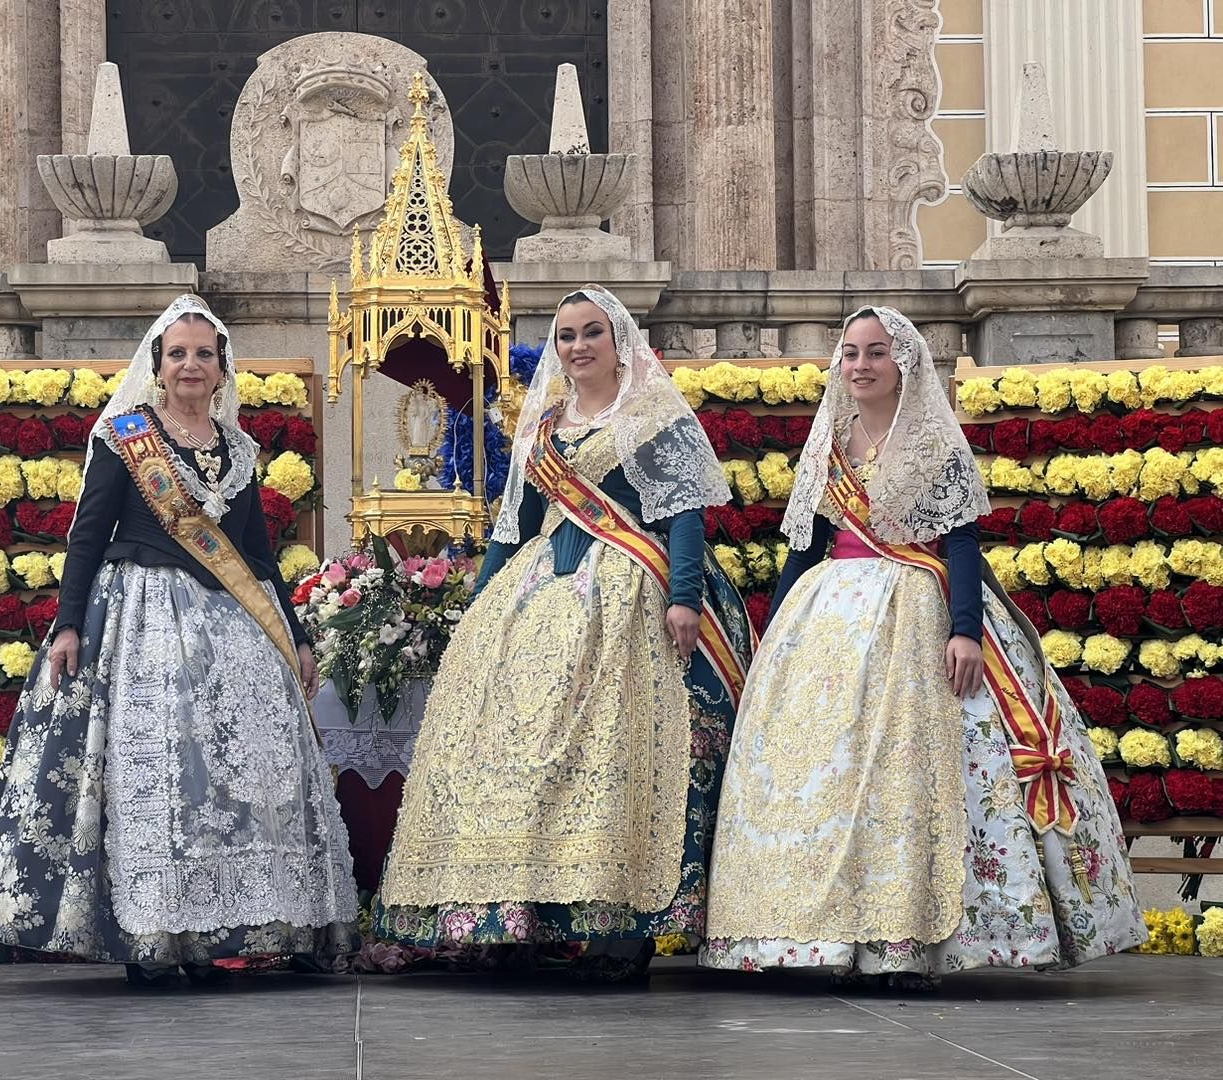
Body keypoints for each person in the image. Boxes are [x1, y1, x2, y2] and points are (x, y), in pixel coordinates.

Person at [701, 306, 1146, 986]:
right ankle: (808, 935)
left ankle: (908, 939)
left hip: (915, 608)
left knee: (905, 770)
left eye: (875, 353)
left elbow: (961, 541)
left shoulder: (935, 445)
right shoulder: (830, 446)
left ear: (903, 362)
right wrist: (772, 631)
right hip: (825, 618)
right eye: (850, 353)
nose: (860, 366)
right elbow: (804, 546)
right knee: (820, 770)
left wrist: (964, 630)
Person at [0, 295, 357, 987]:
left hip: (234, 630)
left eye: (203, 354)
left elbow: (258, 556)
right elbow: (87, 534)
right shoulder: (125, 437)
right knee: (161, 774)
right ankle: (153, 936)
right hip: (142, 620)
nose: (190, 364)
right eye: (177, 353)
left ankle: (215, 932)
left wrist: (295, 639)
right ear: (158, 364)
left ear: (221, 369)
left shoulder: (237, 450)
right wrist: (66, 623)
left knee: (230, 778)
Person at [375, 286, 752, 981]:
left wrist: (685, 596)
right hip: (540, 589)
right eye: (567, 336)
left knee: (620, 751)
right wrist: (481, 609)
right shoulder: (543, 427)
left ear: (619, 342)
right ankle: (524, 914)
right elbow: (512, 525)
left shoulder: (651, 417)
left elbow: (685, 515)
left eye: (592, 334)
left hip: (633, 591)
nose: (578, 347)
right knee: (528, 756)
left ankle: (627, 930)